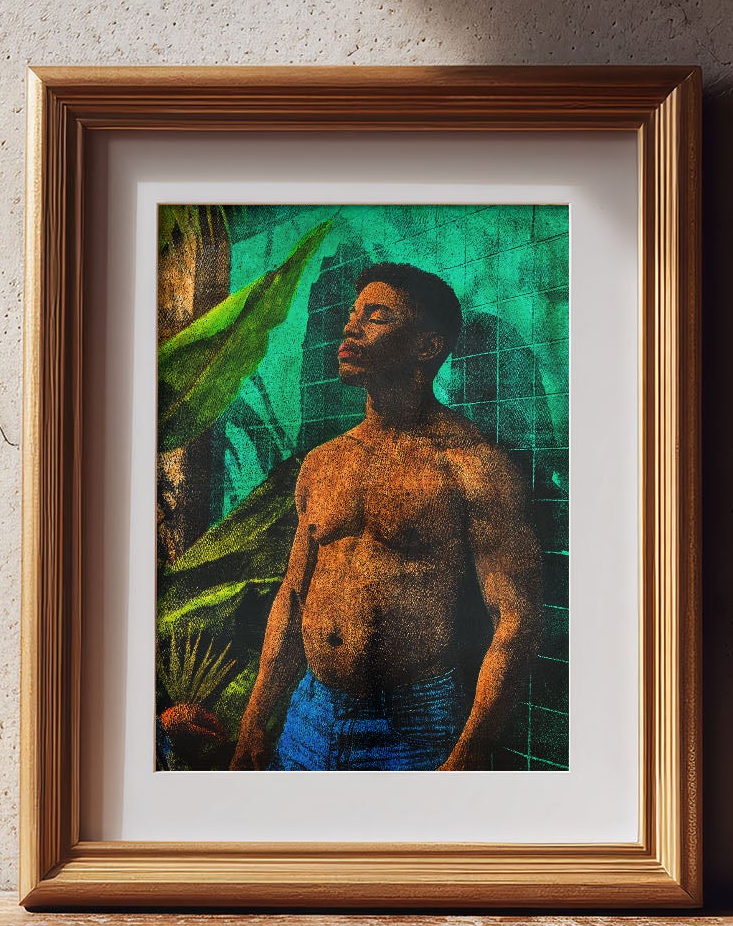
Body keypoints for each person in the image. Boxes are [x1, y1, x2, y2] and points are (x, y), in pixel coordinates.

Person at [230, 262, 542, 770]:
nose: (350, 327)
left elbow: (517, 621)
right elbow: (292, 595)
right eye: (353, 313)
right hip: (309, 714)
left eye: (376, 316)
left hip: (412, 725)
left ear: (427, 346)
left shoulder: (472, 466)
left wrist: (465, 758)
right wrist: (253, 722)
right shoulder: (323, 463)